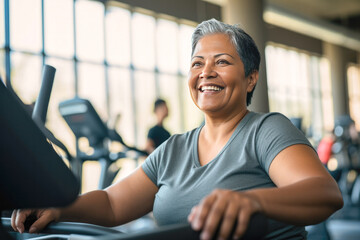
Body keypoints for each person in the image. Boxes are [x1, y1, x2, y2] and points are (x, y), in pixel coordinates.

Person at [11, 19, 343, 240]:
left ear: (251, 78)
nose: (206, 72)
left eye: (222, 62)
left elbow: (324, 193)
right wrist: (57, 207)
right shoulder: (174, 149)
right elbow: (112, 204)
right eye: (198, 63)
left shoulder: (266, 130)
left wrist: (253, 201)